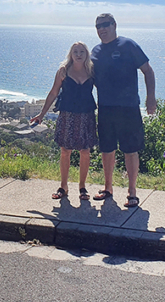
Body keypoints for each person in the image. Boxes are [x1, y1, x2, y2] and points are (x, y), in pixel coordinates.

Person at [91, 13, 156, 207]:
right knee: (107, 149)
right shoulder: (95, 51)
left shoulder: (129, 45)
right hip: (105, 107)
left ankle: (132, 192)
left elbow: (148, 71)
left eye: (105, 25)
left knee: (130, 150)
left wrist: (150, 98)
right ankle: (108, 188)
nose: (101, 29)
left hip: (128, 107)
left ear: (114, 25)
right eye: (98, 26)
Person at [31, 42, 97, 200]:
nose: (79, 54)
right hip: (67, 115)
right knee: (65, 151)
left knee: (85, 152)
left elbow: (105, 89)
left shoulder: (92, 71)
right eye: (75, 51)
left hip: (86, 115)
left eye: (82, 51)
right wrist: (41, 114)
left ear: (86, 54)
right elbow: (53, 93)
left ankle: (82, 187)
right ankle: (63, 186)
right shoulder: (63, 71)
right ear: (71, 54)